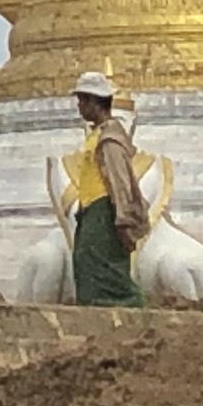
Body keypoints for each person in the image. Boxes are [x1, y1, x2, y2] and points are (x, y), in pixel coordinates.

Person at [68, 70, 151, 308]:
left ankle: (133, 308)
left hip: (105, 210)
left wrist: (124, 217)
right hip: (90, 210)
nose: (80, 107)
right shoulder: (98, 134)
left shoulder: (110, 139)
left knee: (107, 272)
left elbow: (119, 181)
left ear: (96, 103)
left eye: (84, 101)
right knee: (87, 264)